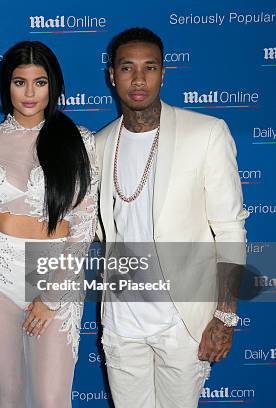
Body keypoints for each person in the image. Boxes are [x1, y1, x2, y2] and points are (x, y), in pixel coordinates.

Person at [95, 27, 248, 408]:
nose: (139, 78)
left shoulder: (206, 133)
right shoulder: (99, 144)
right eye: (127, 68)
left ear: (164, 74)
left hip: (182, 320)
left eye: (150, 67)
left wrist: (225, 316)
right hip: (121, 319)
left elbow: (229, 228)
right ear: (112, 76)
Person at [0, 41, 99, 407]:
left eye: (39, 82)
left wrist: (51, 297)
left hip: (53, 267)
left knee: (50, 399)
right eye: (19, 82)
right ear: (5, 85)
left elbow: (83, 230)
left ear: (52, 85)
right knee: (3, 396)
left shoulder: (79, 141)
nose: (29, 93)